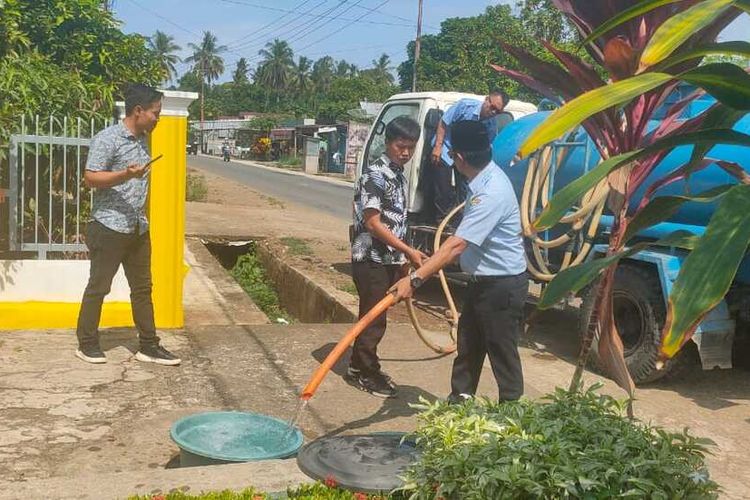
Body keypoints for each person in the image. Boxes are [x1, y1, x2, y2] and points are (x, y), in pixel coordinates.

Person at [392, 120, 528, 402]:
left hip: (502, 286)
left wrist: (415, 279)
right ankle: (460, 402)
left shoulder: (491, 192)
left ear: (460, 158)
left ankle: (512, 415)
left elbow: (456, 245)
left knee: (502, 352)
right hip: (484, 282)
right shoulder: (482, 180)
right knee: (469, 345)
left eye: (452, 155)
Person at [75, 83, 181, 366]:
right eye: (155, 113)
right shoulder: (107, 139)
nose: (158, 118)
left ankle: (149, 345)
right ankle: (86, 344)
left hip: (137, 228)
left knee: (143, 289)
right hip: (108, 226)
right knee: (99, 287)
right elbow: (90, 178)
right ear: (138, 111)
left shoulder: (143, 138)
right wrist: (125, 175)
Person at [348, 116, 427, 398]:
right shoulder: (375, 174)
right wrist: (408, 251)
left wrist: (403, 260)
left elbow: (398, 222)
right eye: (400, 146)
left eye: (411, 147)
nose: (405, 152)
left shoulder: (398, 175)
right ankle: (362, 371)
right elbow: (373, 223)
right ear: (388, 142)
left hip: (390, 258)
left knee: (377, 315)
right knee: (373, 316)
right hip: (370, 257)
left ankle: (364, 365)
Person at [430, 89, 509, 224]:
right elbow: (444, 123)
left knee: (466, 190)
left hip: (465, 157)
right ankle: (442, 222)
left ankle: (462, 222)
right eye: (492, 107)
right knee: (444, 189)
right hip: (446, 147)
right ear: (486, 99)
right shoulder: (464, 106)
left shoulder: (491, 124)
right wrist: (438, 147)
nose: (493, 112)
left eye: (498, 111)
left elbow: (486, 146)